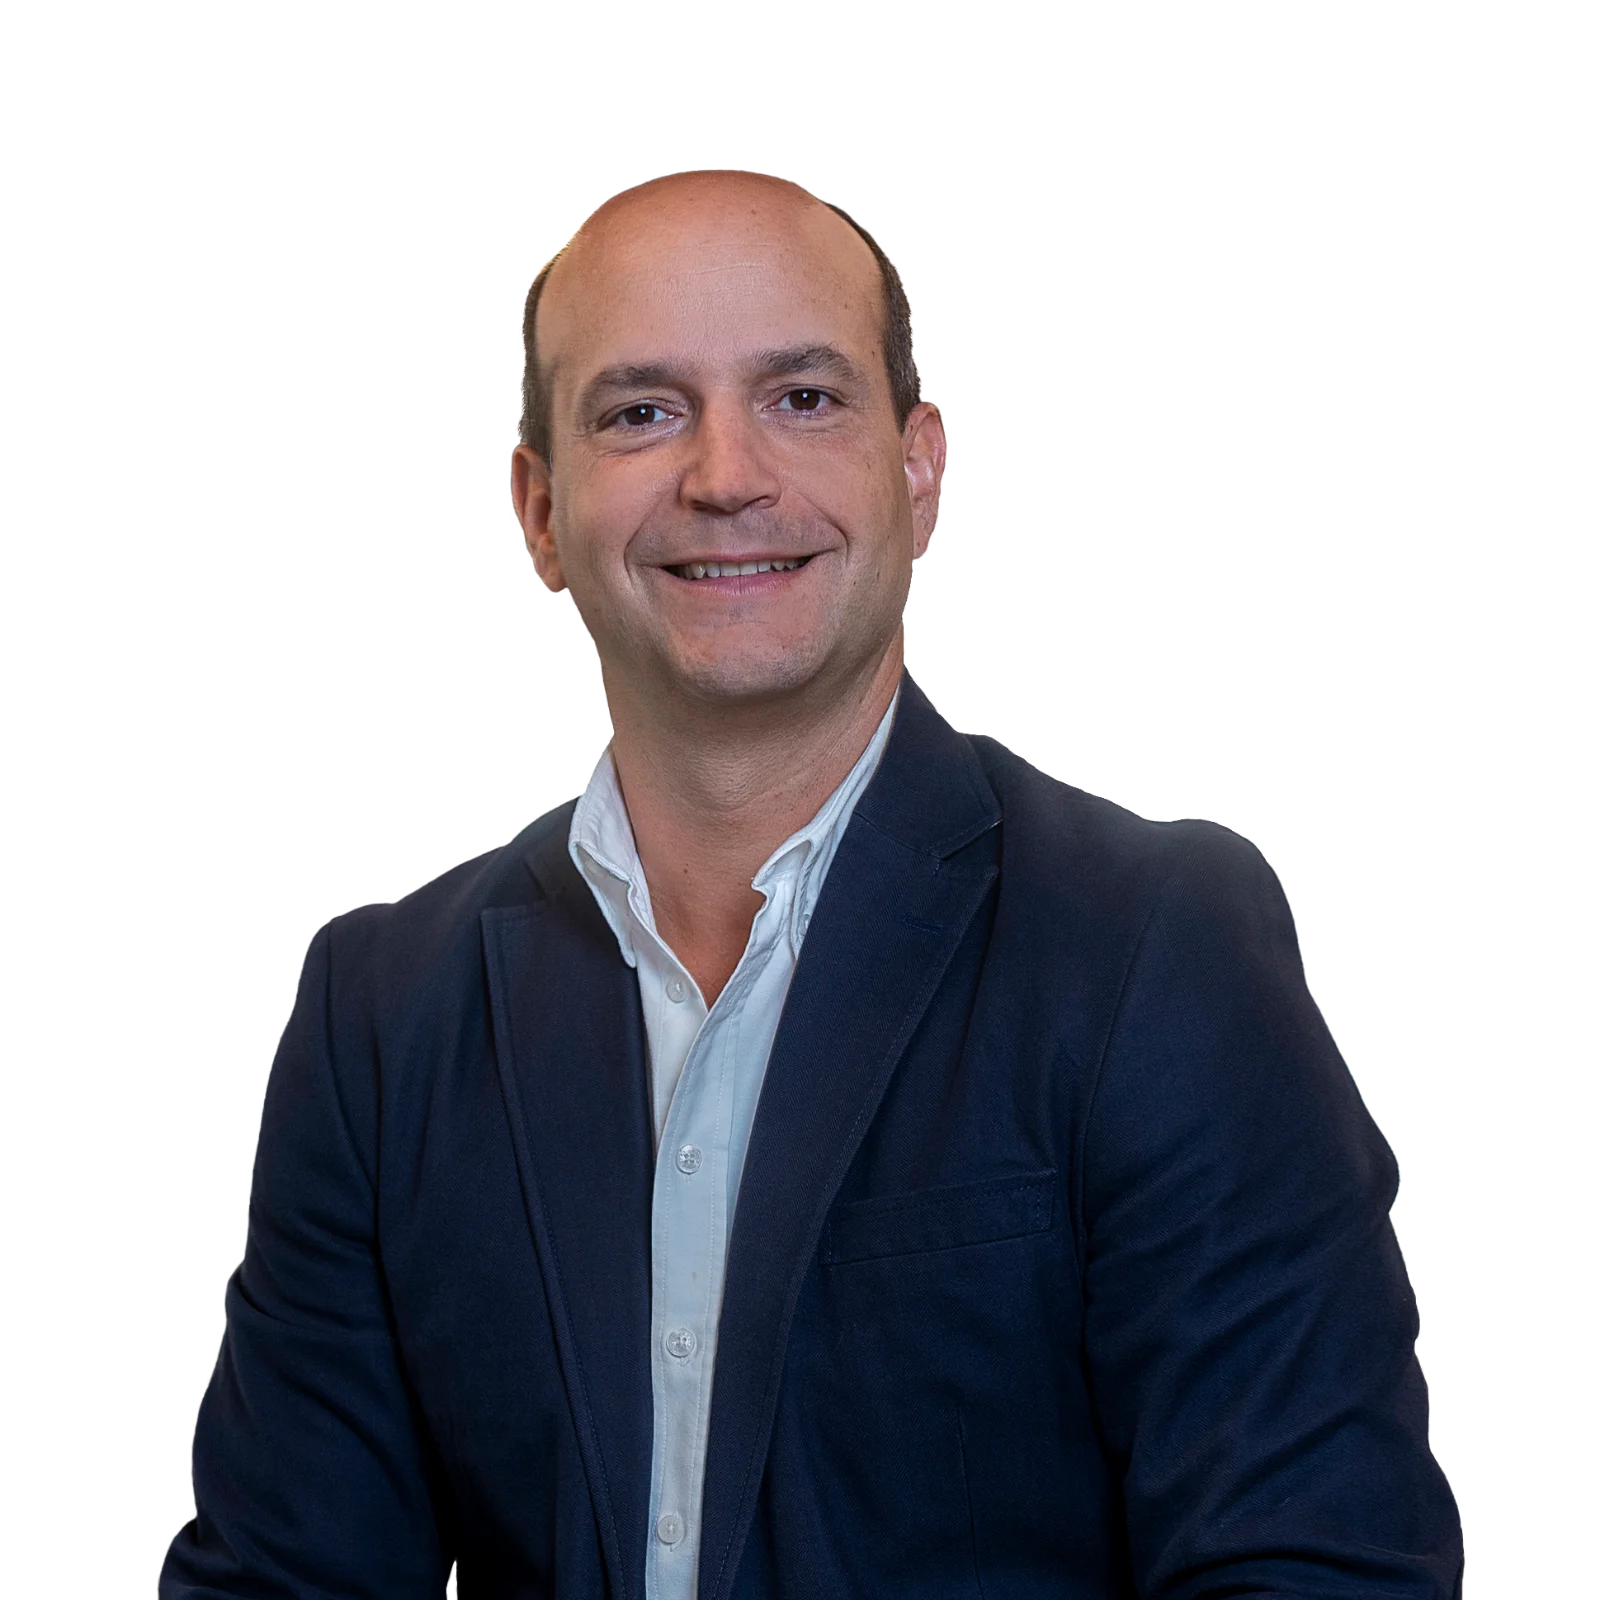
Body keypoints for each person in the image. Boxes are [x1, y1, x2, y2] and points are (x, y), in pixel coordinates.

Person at [159, 168, 1464, 1597]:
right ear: (537, 506)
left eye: (803, 398)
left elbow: (1319, 1574)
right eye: (641, 411)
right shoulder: (381, 1013)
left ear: (921, 471)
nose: (725, 477)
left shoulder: (1158, 946)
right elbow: (282, 1585)